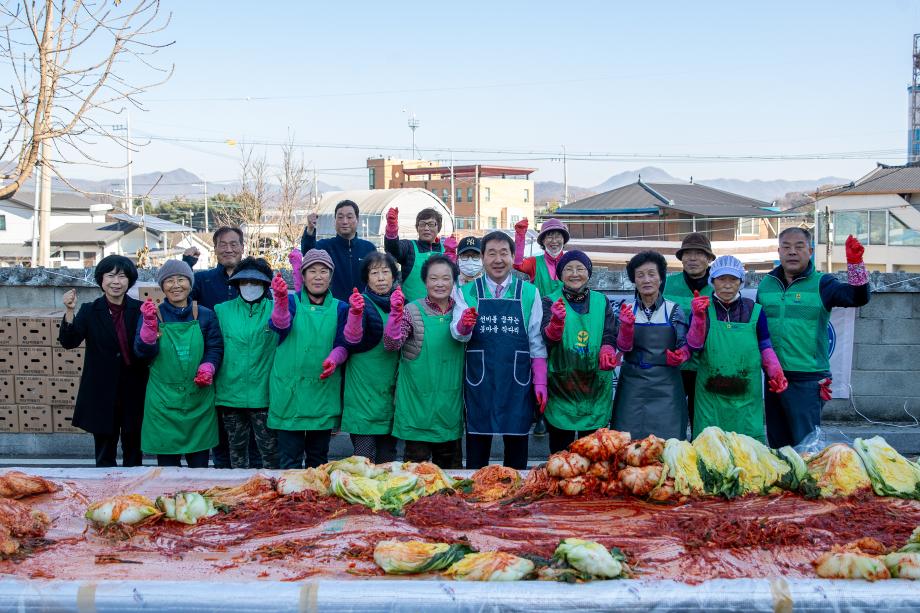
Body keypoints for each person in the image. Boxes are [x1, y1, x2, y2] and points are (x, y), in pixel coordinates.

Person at [756, 229, 870, 448]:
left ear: (810, 251)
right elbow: (758, 329)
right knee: (778, 444)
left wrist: (856, 265)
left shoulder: (823, 283)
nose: (792, 252)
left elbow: (858, 298)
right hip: (774, 377)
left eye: (799, 247)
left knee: (806, 445)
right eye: (786, 247)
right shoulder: (766, 284)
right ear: (779, 251)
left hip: (807, 378)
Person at [451, 231, 548, 470]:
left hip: (517, 382)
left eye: (504, 253)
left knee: (516, 455)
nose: (498, 259)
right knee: (477, 456)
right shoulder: (466, 292)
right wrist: (464, 325)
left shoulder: (529, 292)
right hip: (479, 382)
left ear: (513, 257)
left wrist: (540, 382)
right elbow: (457, 334)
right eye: (491, 253)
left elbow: (536, 342)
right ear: (483, 258)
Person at [267, 249, 364, 469]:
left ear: (331, 277)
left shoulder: (341, 307)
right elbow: (280, 325)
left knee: (318, 462)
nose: (318, 276)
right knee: (289, 462)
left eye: (324, 271)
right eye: (312, 271)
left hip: (322, 395)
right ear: (303, 275)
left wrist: (334, 358)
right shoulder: (291, 302)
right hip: (289, 395)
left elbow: (346, 342)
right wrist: (280, 300)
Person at [59, 255, 149, 467]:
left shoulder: (140, 309)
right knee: (104, 454)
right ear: (101, 279)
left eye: (122, 276)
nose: (116, 282)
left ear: (129, 280)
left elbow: (149, 347)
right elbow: (69, 342)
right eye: (110, 276)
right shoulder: (90, 310)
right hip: (102, 391)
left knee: (134, 451)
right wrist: (70, 311)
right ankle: (106, 488)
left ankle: (134, 489)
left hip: (134, 389)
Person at [134, 259, 223, 468]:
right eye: (169, 281)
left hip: (198, 399)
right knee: (167, 470)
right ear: (162, 286)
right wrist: (148, 331)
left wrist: (208, 367)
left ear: (190, 284)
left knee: (199, 468)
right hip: (163, 401)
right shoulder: (152, 314)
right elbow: (141, 353)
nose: (176, 285)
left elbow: (215, 348)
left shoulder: (205, 315)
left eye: (181, 279)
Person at [182, 226, 257, 469]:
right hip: (212, 364)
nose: (228, 249)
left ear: (242, 247)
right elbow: (179, 297)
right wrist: (187, 264)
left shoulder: (254, 280)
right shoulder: (203, 280)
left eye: (234, 244)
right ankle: (223, 476)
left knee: (254, 439)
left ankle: (253, 482)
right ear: (214, 249)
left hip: (248, 367)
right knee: (220, 434)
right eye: (222, 244)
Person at [691, 256, 787, 443]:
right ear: (712, 281)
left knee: (747, 451)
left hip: (746, 397)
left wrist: (776, 372)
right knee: (710, 448)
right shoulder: (703, 309)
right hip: (710, 399)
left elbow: (765, 345)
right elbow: (694, 346)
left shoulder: (754, 310)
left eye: (733, 279)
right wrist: (698, 318)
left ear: (741, 282)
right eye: (722, 279)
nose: (727, 285)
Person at [613, 251, 704, 441]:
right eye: (640, 275)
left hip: (667, 387)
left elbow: (688, 344)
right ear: (634, 280)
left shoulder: (674, 310)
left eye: (651, 274)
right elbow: (623, 347)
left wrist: (682, 354)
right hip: (632, 387)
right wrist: (626, 328)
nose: (646, 280)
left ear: (661, 278)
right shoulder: (627, 310)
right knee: (626, 444)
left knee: (668, 445)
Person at [385, 255, 465, 468]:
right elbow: (391, 344)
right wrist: (395, 316)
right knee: (415, 477)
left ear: (454, 281)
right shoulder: (411, 310)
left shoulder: (462, 311)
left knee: (451, 478)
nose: (440, 284)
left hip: (449, 409)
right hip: (416, 410)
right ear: (425, 281)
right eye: (433, 278)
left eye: (446, 278)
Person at [541, 250, 620, 454]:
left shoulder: (602, 301)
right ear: (560, 274)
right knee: (561, 457)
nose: (574, 274)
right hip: (561, 388)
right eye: (568, 269)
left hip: (594, 388)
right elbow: (546, 339)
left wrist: (607, 349)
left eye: (580, 269)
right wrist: (556, 323)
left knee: (593, 456)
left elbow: (610, 332)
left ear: (589, 273)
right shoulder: (549, 301)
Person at [213, 257, 279, 469]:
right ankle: (240, 488)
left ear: (265, 285)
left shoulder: (276, 311)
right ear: (237, 284)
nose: (250, 286)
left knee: (270, 453)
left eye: (256, 282)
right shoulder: (221, 311)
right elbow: (213, 346)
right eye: (245, 282)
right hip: (230, 394)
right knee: (236, 452)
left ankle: (271, 489)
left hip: (265, 395)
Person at [341, 252, 399, 464]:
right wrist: (356, 313)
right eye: (374, 273)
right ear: (366, 278)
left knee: (387, 462)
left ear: (394, 276)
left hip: (390, 396)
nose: (381, 278)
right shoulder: (359, 304)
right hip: (362, 396)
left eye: (386, 272)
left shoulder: (402, 305)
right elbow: (351, 338)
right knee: (363, 462)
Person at [663, 232, 715, 430]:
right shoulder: (667, 284)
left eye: (699, 253)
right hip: (673, 366)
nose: (693, 258)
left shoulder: (719, 285)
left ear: (709, 258)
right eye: (688, 253)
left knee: (703, 424)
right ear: (681, 258)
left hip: (707, 366)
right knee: (670, 420)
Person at [298, 200, 378, 301]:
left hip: (364, 306)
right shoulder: (325, 246)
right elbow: (308, 253)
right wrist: (310, 229)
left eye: (349, 217)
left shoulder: (369, 248)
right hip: (334, 307)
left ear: (357, 219)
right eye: (340, 217)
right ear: (335, 220)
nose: (345, 221)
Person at [384, 206, 458, 302]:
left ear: (438, 228)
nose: (426, 228)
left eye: (431, 224)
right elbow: (392, 250)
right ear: (417, 228)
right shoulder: (409, 246)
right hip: (411, 307)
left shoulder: (447, 250)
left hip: (441, 308)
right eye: (422, 224)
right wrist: (391, 229)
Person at [513, 218, 569, 297]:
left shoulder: (570, 261)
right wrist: (520, 235)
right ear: (543, 241)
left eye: (558, 237)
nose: (554, 241)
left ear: (564, 240)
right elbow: (517, 264)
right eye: (549, 237)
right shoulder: (534, 262)